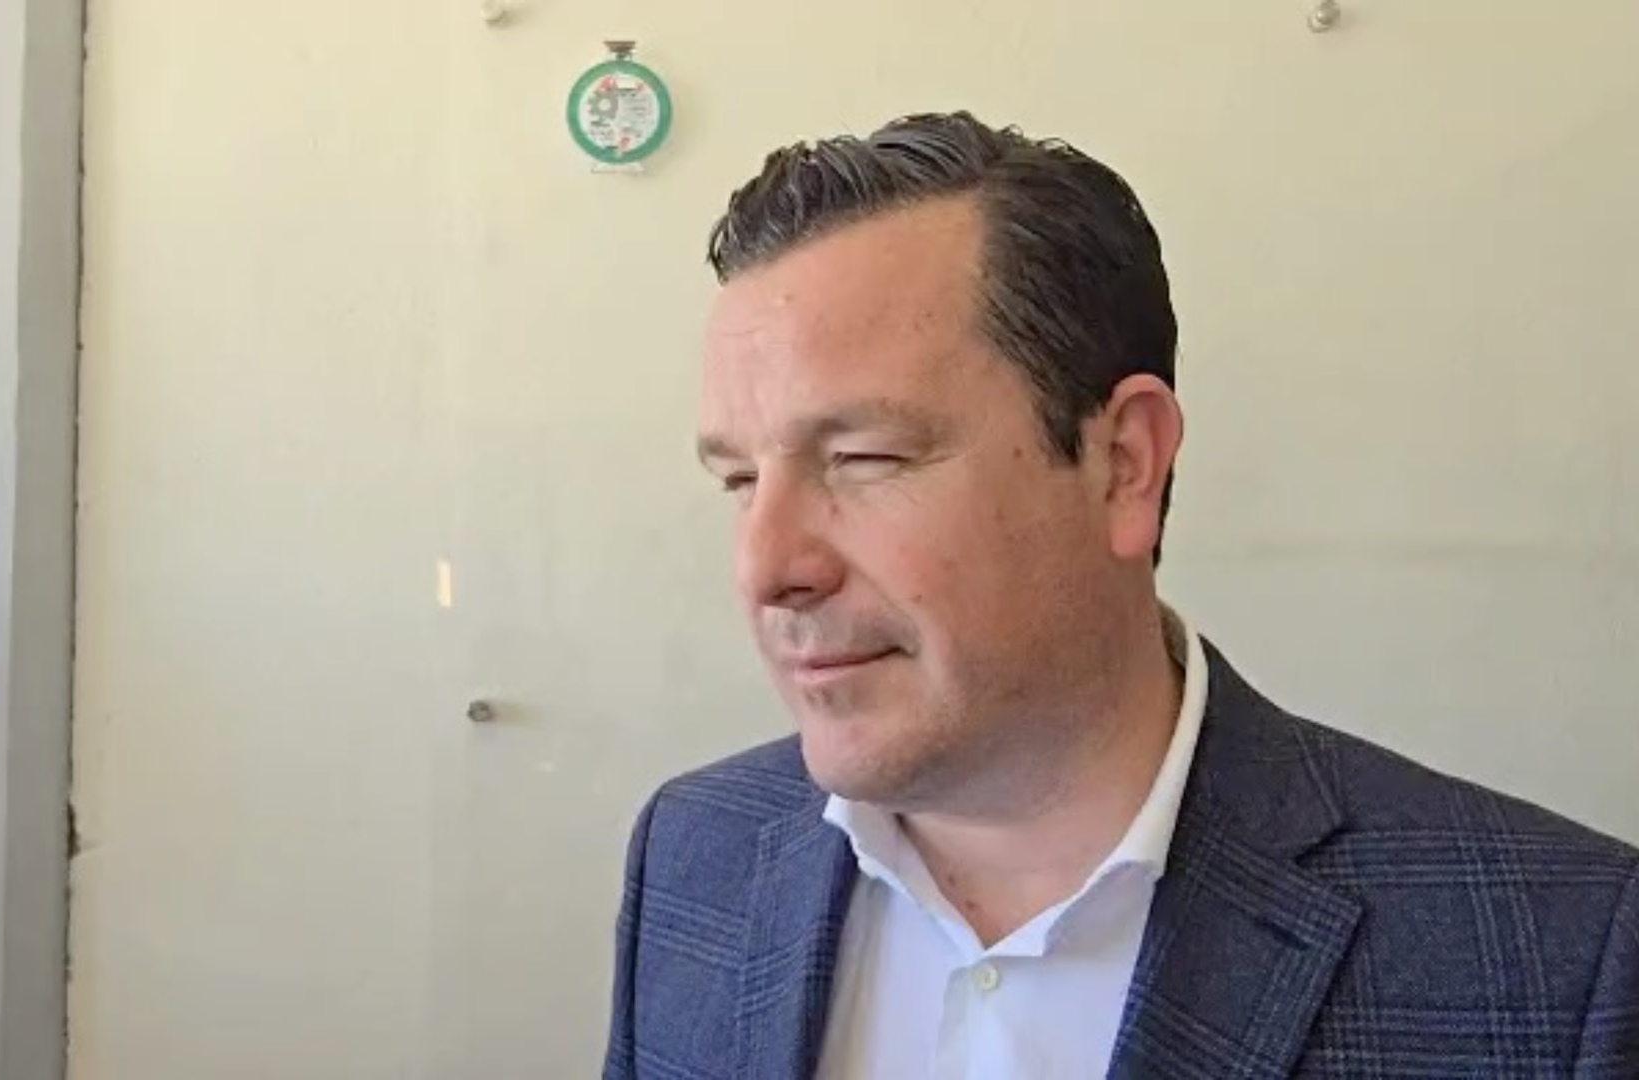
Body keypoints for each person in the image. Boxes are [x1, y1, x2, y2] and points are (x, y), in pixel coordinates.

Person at [602, 111, 1639, 1079]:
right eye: (738, 480)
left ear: (1124, 464)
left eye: (866, 457)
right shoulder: (694, 855)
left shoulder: (1558, 962)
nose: (766, 568)